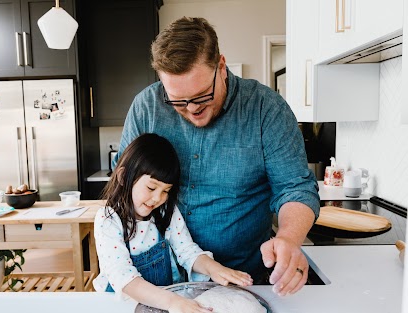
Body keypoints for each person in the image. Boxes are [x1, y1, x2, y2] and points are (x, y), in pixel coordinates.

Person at [114, 17, 320, 296]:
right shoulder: (145, 107)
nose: (191, 109)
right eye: (177, 100)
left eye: (201, 96)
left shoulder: (266, 109)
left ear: (221, 66)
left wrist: (288, 238)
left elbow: (295, 187)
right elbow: (123, 185)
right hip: (160, 281)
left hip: (245, 278)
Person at [94, 133, 252, 312]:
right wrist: (171, 302)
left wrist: (214, 269)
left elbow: (187, 250)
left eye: (166, 191)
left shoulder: (165, 212)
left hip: (166, 302)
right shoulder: (108, 221)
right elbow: (123, 277)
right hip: (124, 304)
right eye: (152, 188)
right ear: (123, 177)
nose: (157, 198)